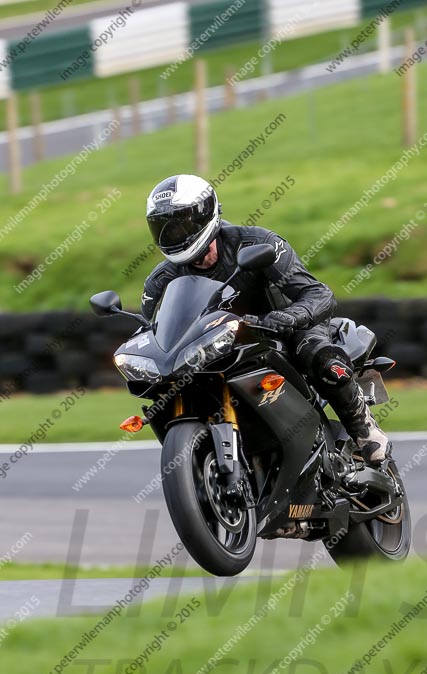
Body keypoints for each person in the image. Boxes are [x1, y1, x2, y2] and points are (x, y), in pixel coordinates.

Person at [141, 174, 389, 464]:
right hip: (220, 346)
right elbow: (153, 329)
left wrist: (285, 318)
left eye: (181, 223)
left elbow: (318, 294)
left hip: (284, 329)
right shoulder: (161, 280)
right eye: (165, 228)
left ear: (205, 215)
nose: (175, 234)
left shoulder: (258, 243)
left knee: (319, 356)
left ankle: (364, 429)